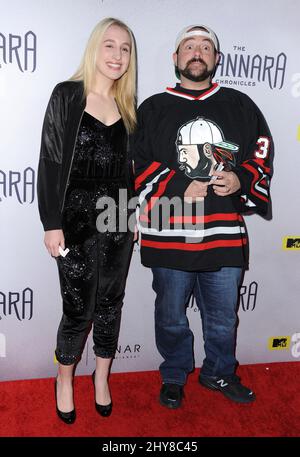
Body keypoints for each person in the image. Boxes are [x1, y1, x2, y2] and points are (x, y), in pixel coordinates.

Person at [134, 25, 272, 408]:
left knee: (224, 318)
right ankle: (175, 374)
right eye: (189, 46)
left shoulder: (240, 104)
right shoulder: (152, 108)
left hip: (224, 234)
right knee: (171, 316)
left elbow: (260, 153)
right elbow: (134, 163)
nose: (198, 52)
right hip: (169, 232)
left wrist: (241, 177)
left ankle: (219, 372)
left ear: (216, 58)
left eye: (206, 46)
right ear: (176, 58)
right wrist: (179, 185)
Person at [37, 17, 137, 424]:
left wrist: (132, 217)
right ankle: (64, 379)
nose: (117, 55)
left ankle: (101, 377)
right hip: (74, 219)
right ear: (95, 48)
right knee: (78, 306)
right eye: (110, 45)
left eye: (125, 49)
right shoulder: (67, 95)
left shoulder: (128, 107)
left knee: (111, 303)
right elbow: (49, 160)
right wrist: (50, 221)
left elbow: (130, 174)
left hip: (117, 217)